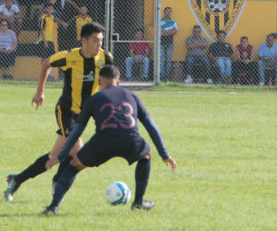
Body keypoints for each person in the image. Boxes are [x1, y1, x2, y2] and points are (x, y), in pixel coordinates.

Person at [42, 64, 177, 215]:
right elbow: (151, 126)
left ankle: (53, 207)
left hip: (103, 141)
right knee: (146, 154)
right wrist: (165, 155)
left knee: (74, 166)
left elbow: (77, 130)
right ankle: (138, 202)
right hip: (130, 139)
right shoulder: (132, 95)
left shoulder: (94, 99)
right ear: (118, 82)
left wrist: (60, 156)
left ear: (99, 82)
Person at [4, 22, 113, 202]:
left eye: (101, 40)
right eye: (95, 41)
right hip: (66, 111)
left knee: (54, 157)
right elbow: (46, 64)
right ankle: (58, 182)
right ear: (84, 41)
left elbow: (112, 80)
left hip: (84, 115)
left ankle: (17, 179)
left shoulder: (105, 58)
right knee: (80, 153)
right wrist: (40, 91)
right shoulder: (70, 57)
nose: (99, 44)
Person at [159, 6, 177, 80]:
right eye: (167, 11)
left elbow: (175, 31)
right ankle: (162, 76)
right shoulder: (160, 21)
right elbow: (160, 32)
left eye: (170, 11)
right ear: (164, 12)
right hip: (161, 43)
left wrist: (165, 31)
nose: (168, 13)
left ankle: (168, 76)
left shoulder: (173, 21)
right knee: (162, 60)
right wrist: (170, 31)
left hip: (170, 43)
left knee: (169, 60)